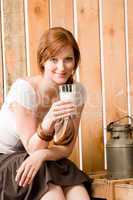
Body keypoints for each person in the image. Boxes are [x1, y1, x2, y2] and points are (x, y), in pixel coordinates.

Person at [0, 27, 92, 200]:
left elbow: (66, 148)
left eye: (68, 59)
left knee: (78, 193)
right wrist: (49, 120)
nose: (61, 67)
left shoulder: (76, 92)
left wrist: (44, 155)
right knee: (53, 192)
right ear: (42, 61)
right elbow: (32, 148)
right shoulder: (24, 90)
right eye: (53, 59)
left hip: (40, 158)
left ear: (75, 62)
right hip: (6, 159)